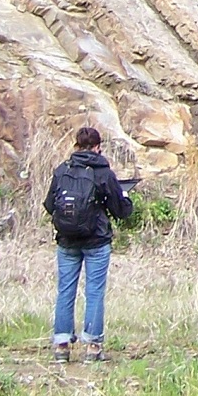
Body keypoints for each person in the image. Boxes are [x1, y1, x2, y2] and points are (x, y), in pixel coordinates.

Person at [44, 125, 135, 363]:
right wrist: (126, 198)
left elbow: (49, 205)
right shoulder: (103, 172)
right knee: (94, 292)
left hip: (67, 240)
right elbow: (121, 211)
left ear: (76, 145)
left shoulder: (62, 170)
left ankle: (61, 346)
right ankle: (93, 347)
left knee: (65, 290)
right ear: (97, 147)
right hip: (96, 240)